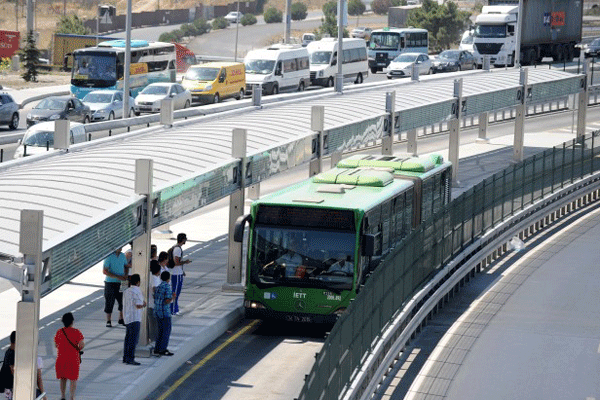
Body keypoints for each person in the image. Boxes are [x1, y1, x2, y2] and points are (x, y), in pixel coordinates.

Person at [55, 312, 84, 400]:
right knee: (73, 379)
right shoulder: (76, 332)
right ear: (72, 321)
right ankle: (72, 397)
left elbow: (56, 344)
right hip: (73, 359)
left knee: (63, 378)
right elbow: (81, 344)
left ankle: (63, 396)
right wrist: (77, 349)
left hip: (61, 358)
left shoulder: (59, 332)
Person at [123, 274, 146, 365]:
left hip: (127, 317)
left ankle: (126, 357)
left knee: (128, 338)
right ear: (138, 282)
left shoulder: (126, 291)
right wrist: (144, 304)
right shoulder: (137, 291)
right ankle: (131, 358)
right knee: (134, 339)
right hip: (135, 318)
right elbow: (138, 305)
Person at [103, 247, 128, 327]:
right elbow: (105, 271)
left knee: (123, 301)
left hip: (122, 281)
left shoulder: (123, 255)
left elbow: (126, 266)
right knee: (109, 301)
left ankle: (121, 318)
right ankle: (108, 320)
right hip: (110, 282)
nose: (121, 247)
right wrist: (117, 276)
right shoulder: (109, 256)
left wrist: (125, 275)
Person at [154, 271, 176, 356]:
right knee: (166, 331)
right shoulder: (167, 287)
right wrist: (173, 298)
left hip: (157, 311)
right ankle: (163, 349)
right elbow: (167, 301)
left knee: (160, 331)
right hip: (165, 312)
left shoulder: (159, 287)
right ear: (168, 278)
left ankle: (157, 348)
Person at [169, 233, 190, 315]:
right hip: (176, 274)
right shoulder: (177, 249)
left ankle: (175, 308)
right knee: (175, 292)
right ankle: (173, 310)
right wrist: (185, 262)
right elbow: (176, 262)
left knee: (176, 292)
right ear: (183, 239)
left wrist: (182, 271)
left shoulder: (176, 248)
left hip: (178, 273)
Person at [0, 331, 15, 399]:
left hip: (6, 384)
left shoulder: (8, 351)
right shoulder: (12, 353)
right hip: (10, 384)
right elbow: (12, 369)